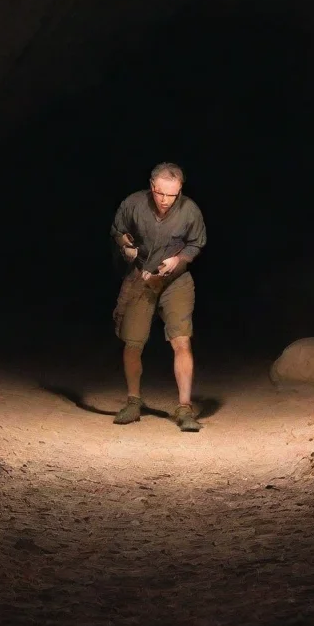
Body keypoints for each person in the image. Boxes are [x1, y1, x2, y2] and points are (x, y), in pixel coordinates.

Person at [109, 162, 207, 432]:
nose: (165, 201)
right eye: (160, 193)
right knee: (133, 341)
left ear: (180, 190)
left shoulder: (189, 210)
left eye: (172, 195)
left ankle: (185, 408)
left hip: (175, 280)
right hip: (142, 276)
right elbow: (117, 231)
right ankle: (133, 402)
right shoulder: (134, 204)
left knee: (181, 340)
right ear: (152, 187)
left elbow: (196, 242)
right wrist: (126, 247)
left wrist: (179, 259)